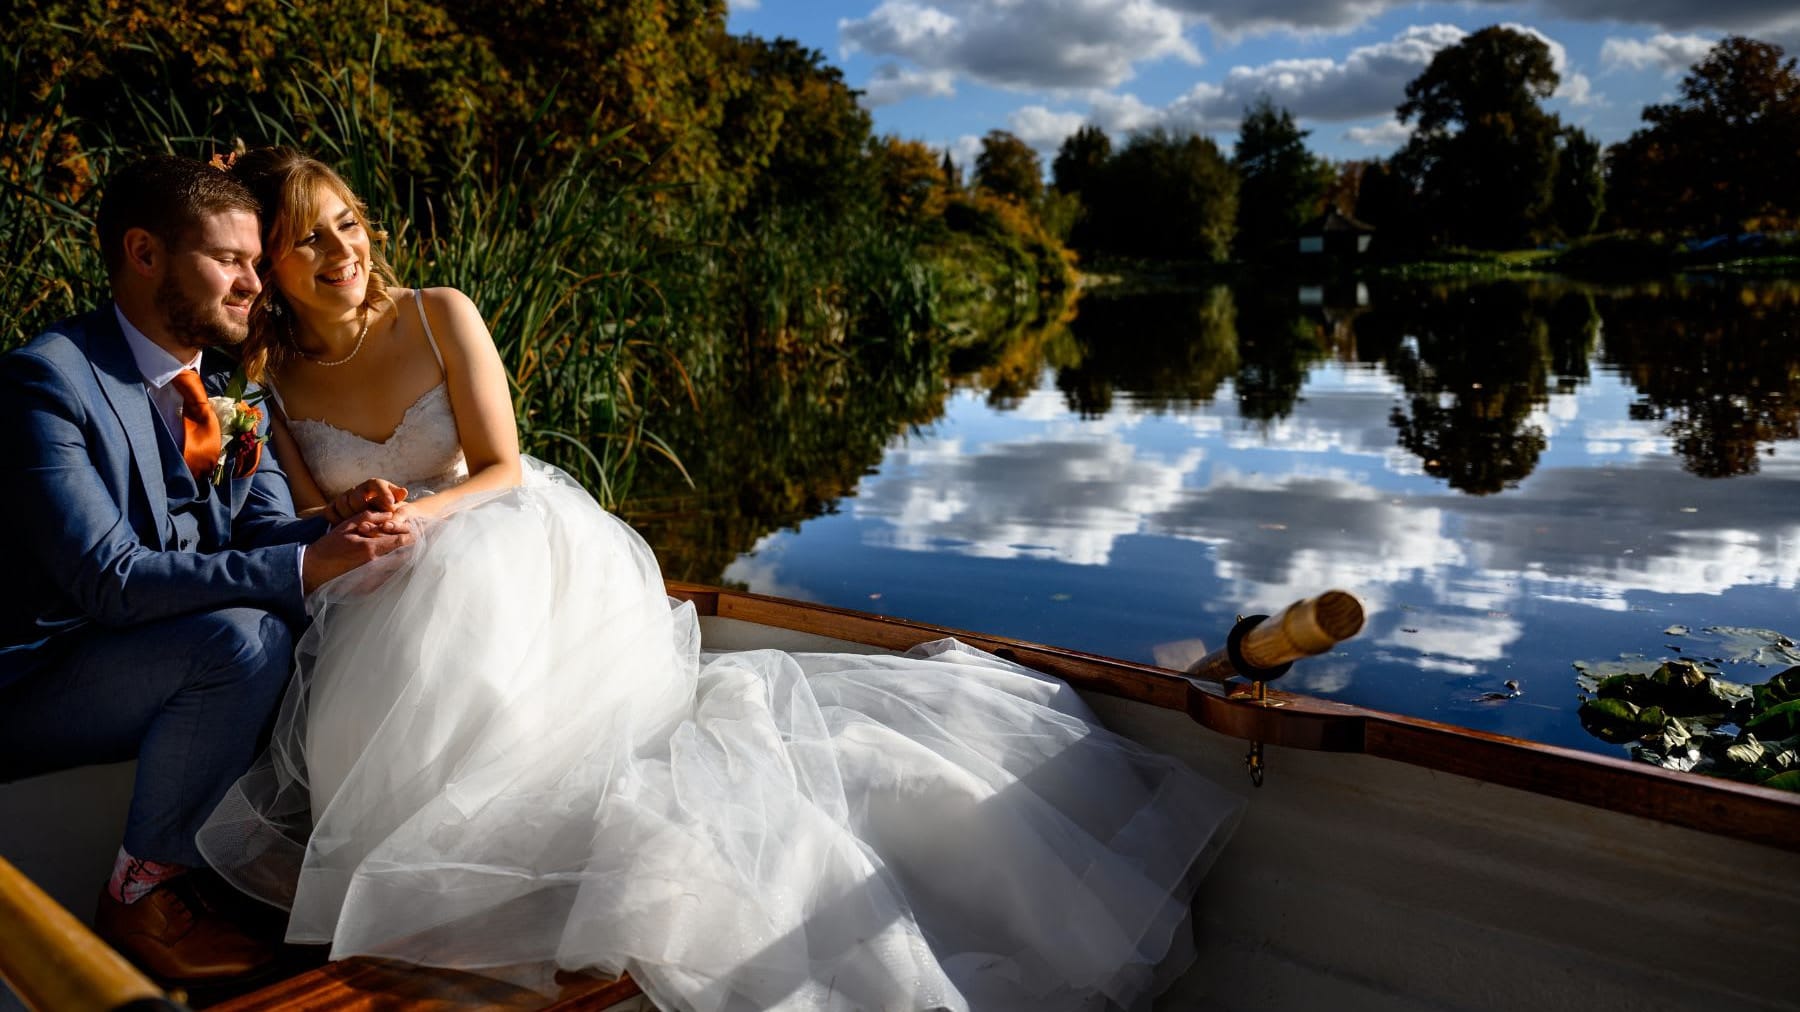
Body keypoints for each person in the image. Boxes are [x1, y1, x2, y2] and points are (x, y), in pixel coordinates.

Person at [197, 146, 1246, 1012]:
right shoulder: (270, 381)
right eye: (307, 238)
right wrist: (355, 515)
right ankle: (434, 888)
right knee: (381, 682)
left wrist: (417, 511)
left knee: (464, 629)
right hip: (381, 571)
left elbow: (504, 467)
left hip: (497, 534)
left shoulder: (437, 313)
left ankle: (524, 875)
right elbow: (300, 513)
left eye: (347, 221)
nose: (340, 248)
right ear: (270, 269)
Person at [0, 155, 414, 982]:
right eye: (230, 261)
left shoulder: (232, 393)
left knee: (369, 596)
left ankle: (273, 863)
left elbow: (264, 530)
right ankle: (140, 894)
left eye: (258, 264)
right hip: (37, 678)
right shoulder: (47, 382)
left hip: (151, 656)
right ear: (144, 253)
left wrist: (337, 523)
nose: (254, 284)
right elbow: (108, 579)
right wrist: (303, 565)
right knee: (245, 639)